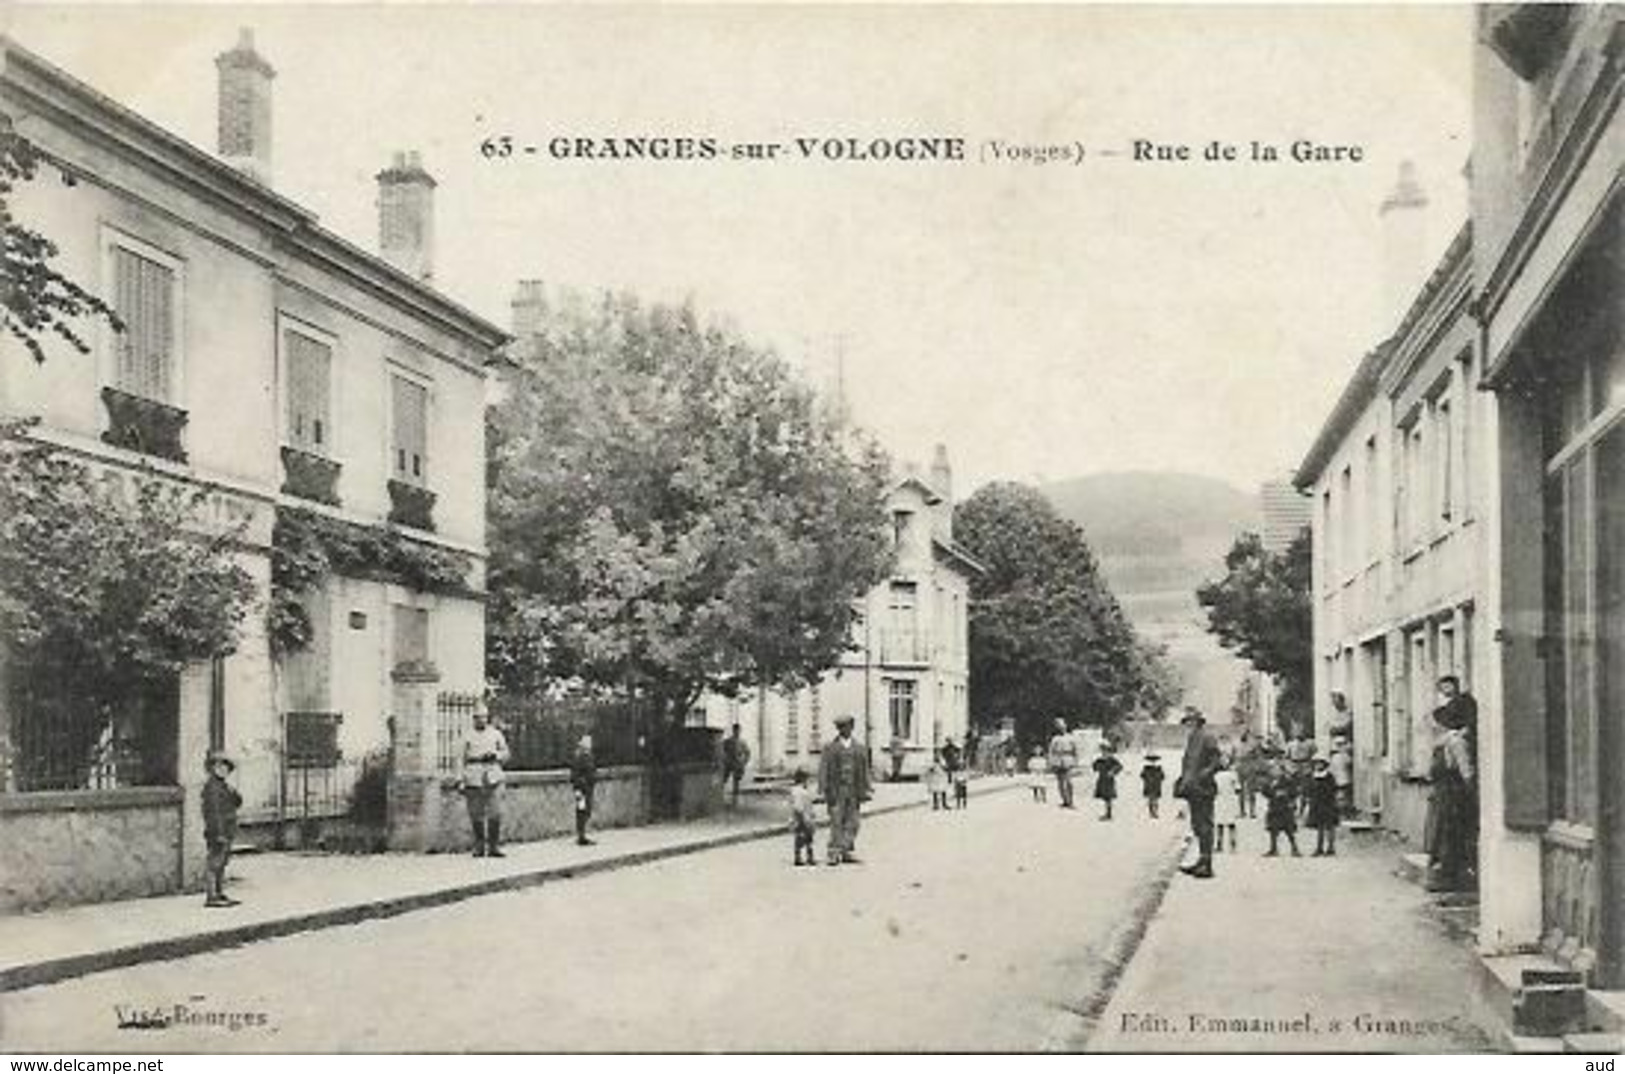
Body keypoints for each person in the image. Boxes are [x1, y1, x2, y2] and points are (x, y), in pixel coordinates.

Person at [1425, 675, 1479, 892]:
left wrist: (1468, 787)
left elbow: (1466, 770)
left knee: (1452, 834)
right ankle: (1445, 874)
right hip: (1443, 792)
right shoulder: (1444, 741)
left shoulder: (1455, 741)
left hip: (1455, 794)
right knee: (1442, 834)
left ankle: (1452, 878)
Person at [1175, 707, 1222, 878]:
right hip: (1192, 788)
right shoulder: (1192, 738)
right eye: (1187, 721)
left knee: (1205, 825)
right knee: (1196, 825)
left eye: (1191, 721)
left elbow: (1217, 760)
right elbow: (1189, 764)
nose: (1189, 724)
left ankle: (1207, 864)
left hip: (1204, 787)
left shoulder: (1207, 737)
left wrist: (1205, 773)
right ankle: (1201, 861)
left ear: (1198, 721)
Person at [819, 715, 872, 865]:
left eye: (846, 727)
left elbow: (865, 769)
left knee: (853, 822)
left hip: (854, 790)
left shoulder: (860, 748)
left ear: (852, 727)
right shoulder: (830, 748)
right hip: (836, 790)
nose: (843, 730)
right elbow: (824, 768)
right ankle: (834, 852)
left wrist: (867, 788)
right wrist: (822, 789)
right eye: (840, 727)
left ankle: (846, 850)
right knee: (836, 821)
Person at [462, 706, 511, 858]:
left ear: (487, 718)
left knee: (495, 812)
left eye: (483, 717)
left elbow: (506, 754)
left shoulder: (496, 734)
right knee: (476, 813)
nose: (481, 720)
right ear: (473, 719)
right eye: (477, 717)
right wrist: (460, 780)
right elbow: (459, 759)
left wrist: (495, 755)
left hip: (493, 774)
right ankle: (479, 845)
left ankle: (494, 846)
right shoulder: (466, 736)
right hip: (473, 775)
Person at [201, 750, 242, 908]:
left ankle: (219, 892)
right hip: (218, 831)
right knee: (214, 863)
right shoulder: (211, 788)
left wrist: (233, 792)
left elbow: (237, 803)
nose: (223, 769)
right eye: (219, 766)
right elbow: (213, 813)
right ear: (212, 768)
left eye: (226, 767)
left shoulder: (224, 787)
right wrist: (218, 833)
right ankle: (211, 896)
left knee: (222, 863)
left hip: (227, 829)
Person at [1263, 746, 1302, 857]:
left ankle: (1295, 848)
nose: (1275, 771)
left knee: (1289, 829)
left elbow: (1294, 791)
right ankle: (1273, 848)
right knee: (1273, 829)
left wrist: (1286, 795)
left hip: (1285, 807)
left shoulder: (1287, 779)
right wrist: (1271, 793)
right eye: (1273, 770)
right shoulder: (1270, 780)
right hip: (1274, 807)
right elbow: (1265, 791)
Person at [1307, 757, 1340, 856]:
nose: (1318, 766)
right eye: (1316, 764)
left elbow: (1333, 789)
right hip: (1317, 804)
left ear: (1324, 765)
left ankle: (1331, 848)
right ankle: (1319, 848)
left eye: (1320, 764)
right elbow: (1309, 788)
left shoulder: (1329, 776)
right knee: (1319, 827)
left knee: (1330, 826)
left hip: (1328, 803)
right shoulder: (1312, 776)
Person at [571, 732, 597, 846]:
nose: (589, 745)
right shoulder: (579, 756)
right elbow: (575, 774)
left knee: (586, 810)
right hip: (581, 789)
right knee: (582, 811)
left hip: (587, 788)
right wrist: (581, 784)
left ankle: (582, 834)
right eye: (588, 743)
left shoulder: (588, 756)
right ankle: (581, 836)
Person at [1047, 719, 1079, 809]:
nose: (1061, 729)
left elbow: (1075, 750)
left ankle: (1071, 801)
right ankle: (1065, 800)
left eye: (1063, 727)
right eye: (1059, 727)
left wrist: (1076, 761)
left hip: (1068, 759)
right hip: (1058, 761)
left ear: (1066, 726)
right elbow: (1051, 751)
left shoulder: (1071, 737)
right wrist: (1051, 762)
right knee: (1060, 782)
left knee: (1069, 782)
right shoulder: (1055, 738)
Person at [788, 768, 817, 866]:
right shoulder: (799, 792)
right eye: (807, 780)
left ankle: (802, 856)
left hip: (804, 816)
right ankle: (804, 857)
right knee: (804, 837)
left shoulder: (799, 791)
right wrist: (804, 817)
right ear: (803, 780)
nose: (808, 782)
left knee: (804, 837)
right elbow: (798, 806)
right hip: (801, 818)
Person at [1212, 755, 1241, 853]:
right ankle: (1225, 845)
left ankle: (1228, 845)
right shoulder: (1232, 775)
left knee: (1226, 823)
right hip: (1226, 799)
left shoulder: (1217, 775)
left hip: (1224, 799)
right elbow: (1238, 788)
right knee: (1224, 823)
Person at [721, 724, 751, 807]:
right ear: (733, 731)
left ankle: (735, 801)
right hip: (729, 763)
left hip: (737, 764)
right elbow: (722, 750)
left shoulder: (742, 742)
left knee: (736, 782)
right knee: (723, 780)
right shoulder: (728, 741)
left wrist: (744, 762)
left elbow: (747, 752)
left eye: (738, 730)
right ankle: (719, 797)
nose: (737, 732)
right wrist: (724, 759)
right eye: (735, 730)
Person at [1092, 742, 1123, 820]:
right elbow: (1094, 767)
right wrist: (1097, 767)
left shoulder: (1112, 759)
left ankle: (1108, 814)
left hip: (1109, 781)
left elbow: (1119, 766)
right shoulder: (1100, 759)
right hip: (1102, 780)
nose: (1104, 752)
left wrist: (1112, 772)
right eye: (1102, 751)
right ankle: (1107, 813)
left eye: (1105, 751)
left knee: (1108, 797)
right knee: (1105, 798)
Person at [1330, 735, 1355, 819]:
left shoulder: (1334, 757)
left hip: (1337, 779)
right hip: (1344, 779)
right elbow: (1350, 763)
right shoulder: (1344, 756)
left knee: (1341, 796)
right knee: (1344, 797)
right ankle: (1345, 813)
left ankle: (1342, 813)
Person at [1140, 753, 1164, 818]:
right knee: (1152, 799)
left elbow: (1162, 777)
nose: (1153, 763)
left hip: (1154, 786)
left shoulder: (1158, 769)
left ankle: (1154, 812)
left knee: (1154, 800)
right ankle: (1152, 812)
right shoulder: (1147, 769)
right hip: (1151, 786)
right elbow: (1142, 776)